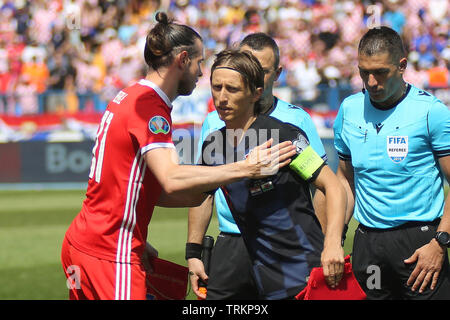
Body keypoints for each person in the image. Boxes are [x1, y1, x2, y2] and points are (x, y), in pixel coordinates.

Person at [60, 12, 296, 300]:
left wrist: (141, 233)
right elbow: (171, 179)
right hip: (111, 250)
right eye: (199, 62)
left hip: (86, 241)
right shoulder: (149, 107)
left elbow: (131, 185)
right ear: (182, 59)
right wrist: (246, 168)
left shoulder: (131, 95)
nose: (200, 73)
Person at [189, 49, 346, 300]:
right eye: (216, 87)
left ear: (255, 93)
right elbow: (200, 196)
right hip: (258, 270)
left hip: (302, 271)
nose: (221, 98)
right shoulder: (212, 146)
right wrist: (193, 253)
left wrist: (333, 243)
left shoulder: (282, 135)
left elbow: (332, 185)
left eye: (232, 89)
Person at [330, 26, 450, 299]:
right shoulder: (349, 109)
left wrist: (440, 242)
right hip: (367, 245)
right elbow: (344, 181)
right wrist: (334, 239)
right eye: (364, 72)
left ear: (401, 66)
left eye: (380, 72)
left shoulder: (432, 111)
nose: (371, 82)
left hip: (420, 243)